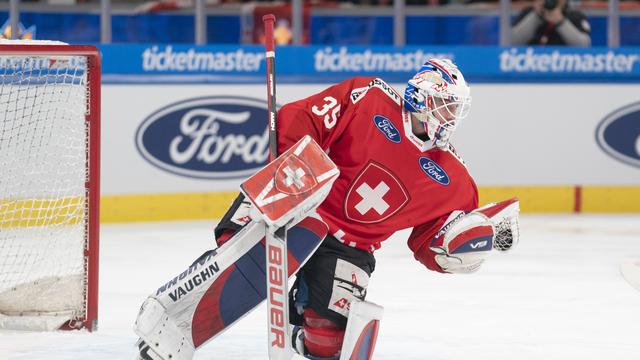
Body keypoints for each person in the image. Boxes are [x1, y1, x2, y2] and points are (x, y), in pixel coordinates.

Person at [134, 59, 520, 360]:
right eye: (444, 105)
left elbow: (431, 242)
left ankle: (299, 320)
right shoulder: (368, 96)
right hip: (302, 205)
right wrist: (291, 168)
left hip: (351, 247)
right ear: (421, 95)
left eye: (455, 110)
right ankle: (170, 317)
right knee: (236, 258)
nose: (449, 118)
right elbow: (303, 118)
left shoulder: (455, 178)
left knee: (328, 342)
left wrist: (457, 252)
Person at [511, 0, 591, 46]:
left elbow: (584, 46)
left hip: (564, 70)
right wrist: (536, 17)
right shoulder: (528, 13)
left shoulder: (575, 16)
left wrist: (561, 22)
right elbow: (510, 43)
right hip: (530, 68)